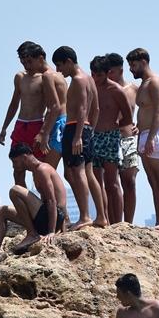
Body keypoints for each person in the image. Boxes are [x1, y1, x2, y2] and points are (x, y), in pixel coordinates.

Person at [0, 144, 68, 265]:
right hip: (44, 218)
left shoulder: (42, 169)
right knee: (2, 210)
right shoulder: (35, 172)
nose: (14, 166)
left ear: (24, 157)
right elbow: (28, 203)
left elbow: (52, 201)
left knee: (15, 190)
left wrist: (52, 231)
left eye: (15, 162)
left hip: (53, 218)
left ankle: (32, 234)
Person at [53, 46, 105, 229]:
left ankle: (85, 216)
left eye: (59, 66)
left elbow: (83, 108)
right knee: (85, 173)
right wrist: (90, 131)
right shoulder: (89, 79)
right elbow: (96, 109)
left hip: (75, 128)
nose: (58, 71)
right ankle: (101, 216)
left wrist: (78, 136)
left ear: (68, 61)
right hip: (86, 128)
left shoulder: (78, 79)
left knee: (78, 171)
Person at [0, 42, 62, 185]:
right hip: (21, 125)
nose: (26, 65)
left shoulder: (45, 77)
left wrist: (44, 132)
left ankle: (41, 203)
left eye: (29, 61)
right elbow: (14, 103)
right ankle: (24, 204)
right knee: (17, 168)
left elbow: (53, 106)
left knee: (37, 168)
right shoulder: (20, 77)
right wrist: (4, 128)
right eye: (23, 62)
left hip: (37, 124)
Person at [92, 55, 135, 226]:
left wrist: (114, 127)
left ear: (107, 73)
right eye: (93, 74)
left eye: (100, 75)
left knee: (112, 183)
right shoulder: (91, 88)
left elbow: (128, 117)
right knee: (96, 183)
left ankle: (118, 224)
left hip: (110, 137)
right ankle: (104, 220)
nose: (96, 78)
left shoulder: (116, 90)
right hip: (93, 137)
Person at [127, 48, 159, 229]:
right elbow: (145, 110)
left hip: (157, 134)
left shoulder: (156, 82)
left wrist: (151, 137)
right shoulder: (143, 84)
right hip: (145, 135)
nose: (131, 69)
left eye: (133, 65)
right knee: (153, 182)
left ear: (143, 62)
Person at [108, 52, 141, 223]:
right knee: (111, 183)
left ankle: (129, 222)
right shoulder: (106, 90)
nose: (108, 75)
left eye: (110, 71)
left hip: (128, 139)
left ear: (120, 70)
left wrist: (140, 126)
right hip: (110, 139)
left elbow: (151, 107)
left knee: (130, 182)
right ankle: (115, 222)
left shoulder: (134, 89)